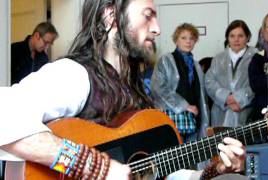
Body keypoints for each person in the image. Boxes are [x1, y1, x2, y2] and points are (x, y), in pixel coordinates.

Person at [0, 0, 244, 179]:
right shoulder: (74, 75)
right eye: (147, 16)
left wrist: (213, 171)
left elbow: (160, 171)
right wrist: (96, 166)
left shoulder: (135, 92)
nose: (157, 28)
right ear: (111, 16)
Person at [151, 23, 209, 143]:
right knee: (175, 156)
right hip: (172, 120)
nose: (188, 41)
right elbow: (158, 88)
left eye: (191, 38)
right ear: (176, 40)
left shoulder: (196, 65)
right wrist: (185, 106)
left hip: (193, 122)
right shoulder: (165, 60)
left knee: (192, 158)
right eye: (183, 38)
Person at [205, 20, 256, 127]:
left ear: (247, 37)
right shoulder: (218, 58)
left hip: (246, 113)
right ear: (227, 38)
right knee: (221, 142)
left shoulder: (257, 56)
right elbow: (209, 82)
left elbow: (259, 83)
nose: (236, 40)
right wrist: (227, 98)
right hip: (220, 115)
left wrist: (239, 99)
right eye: (232, 36)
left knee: (244, 142)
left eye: (240, 36)